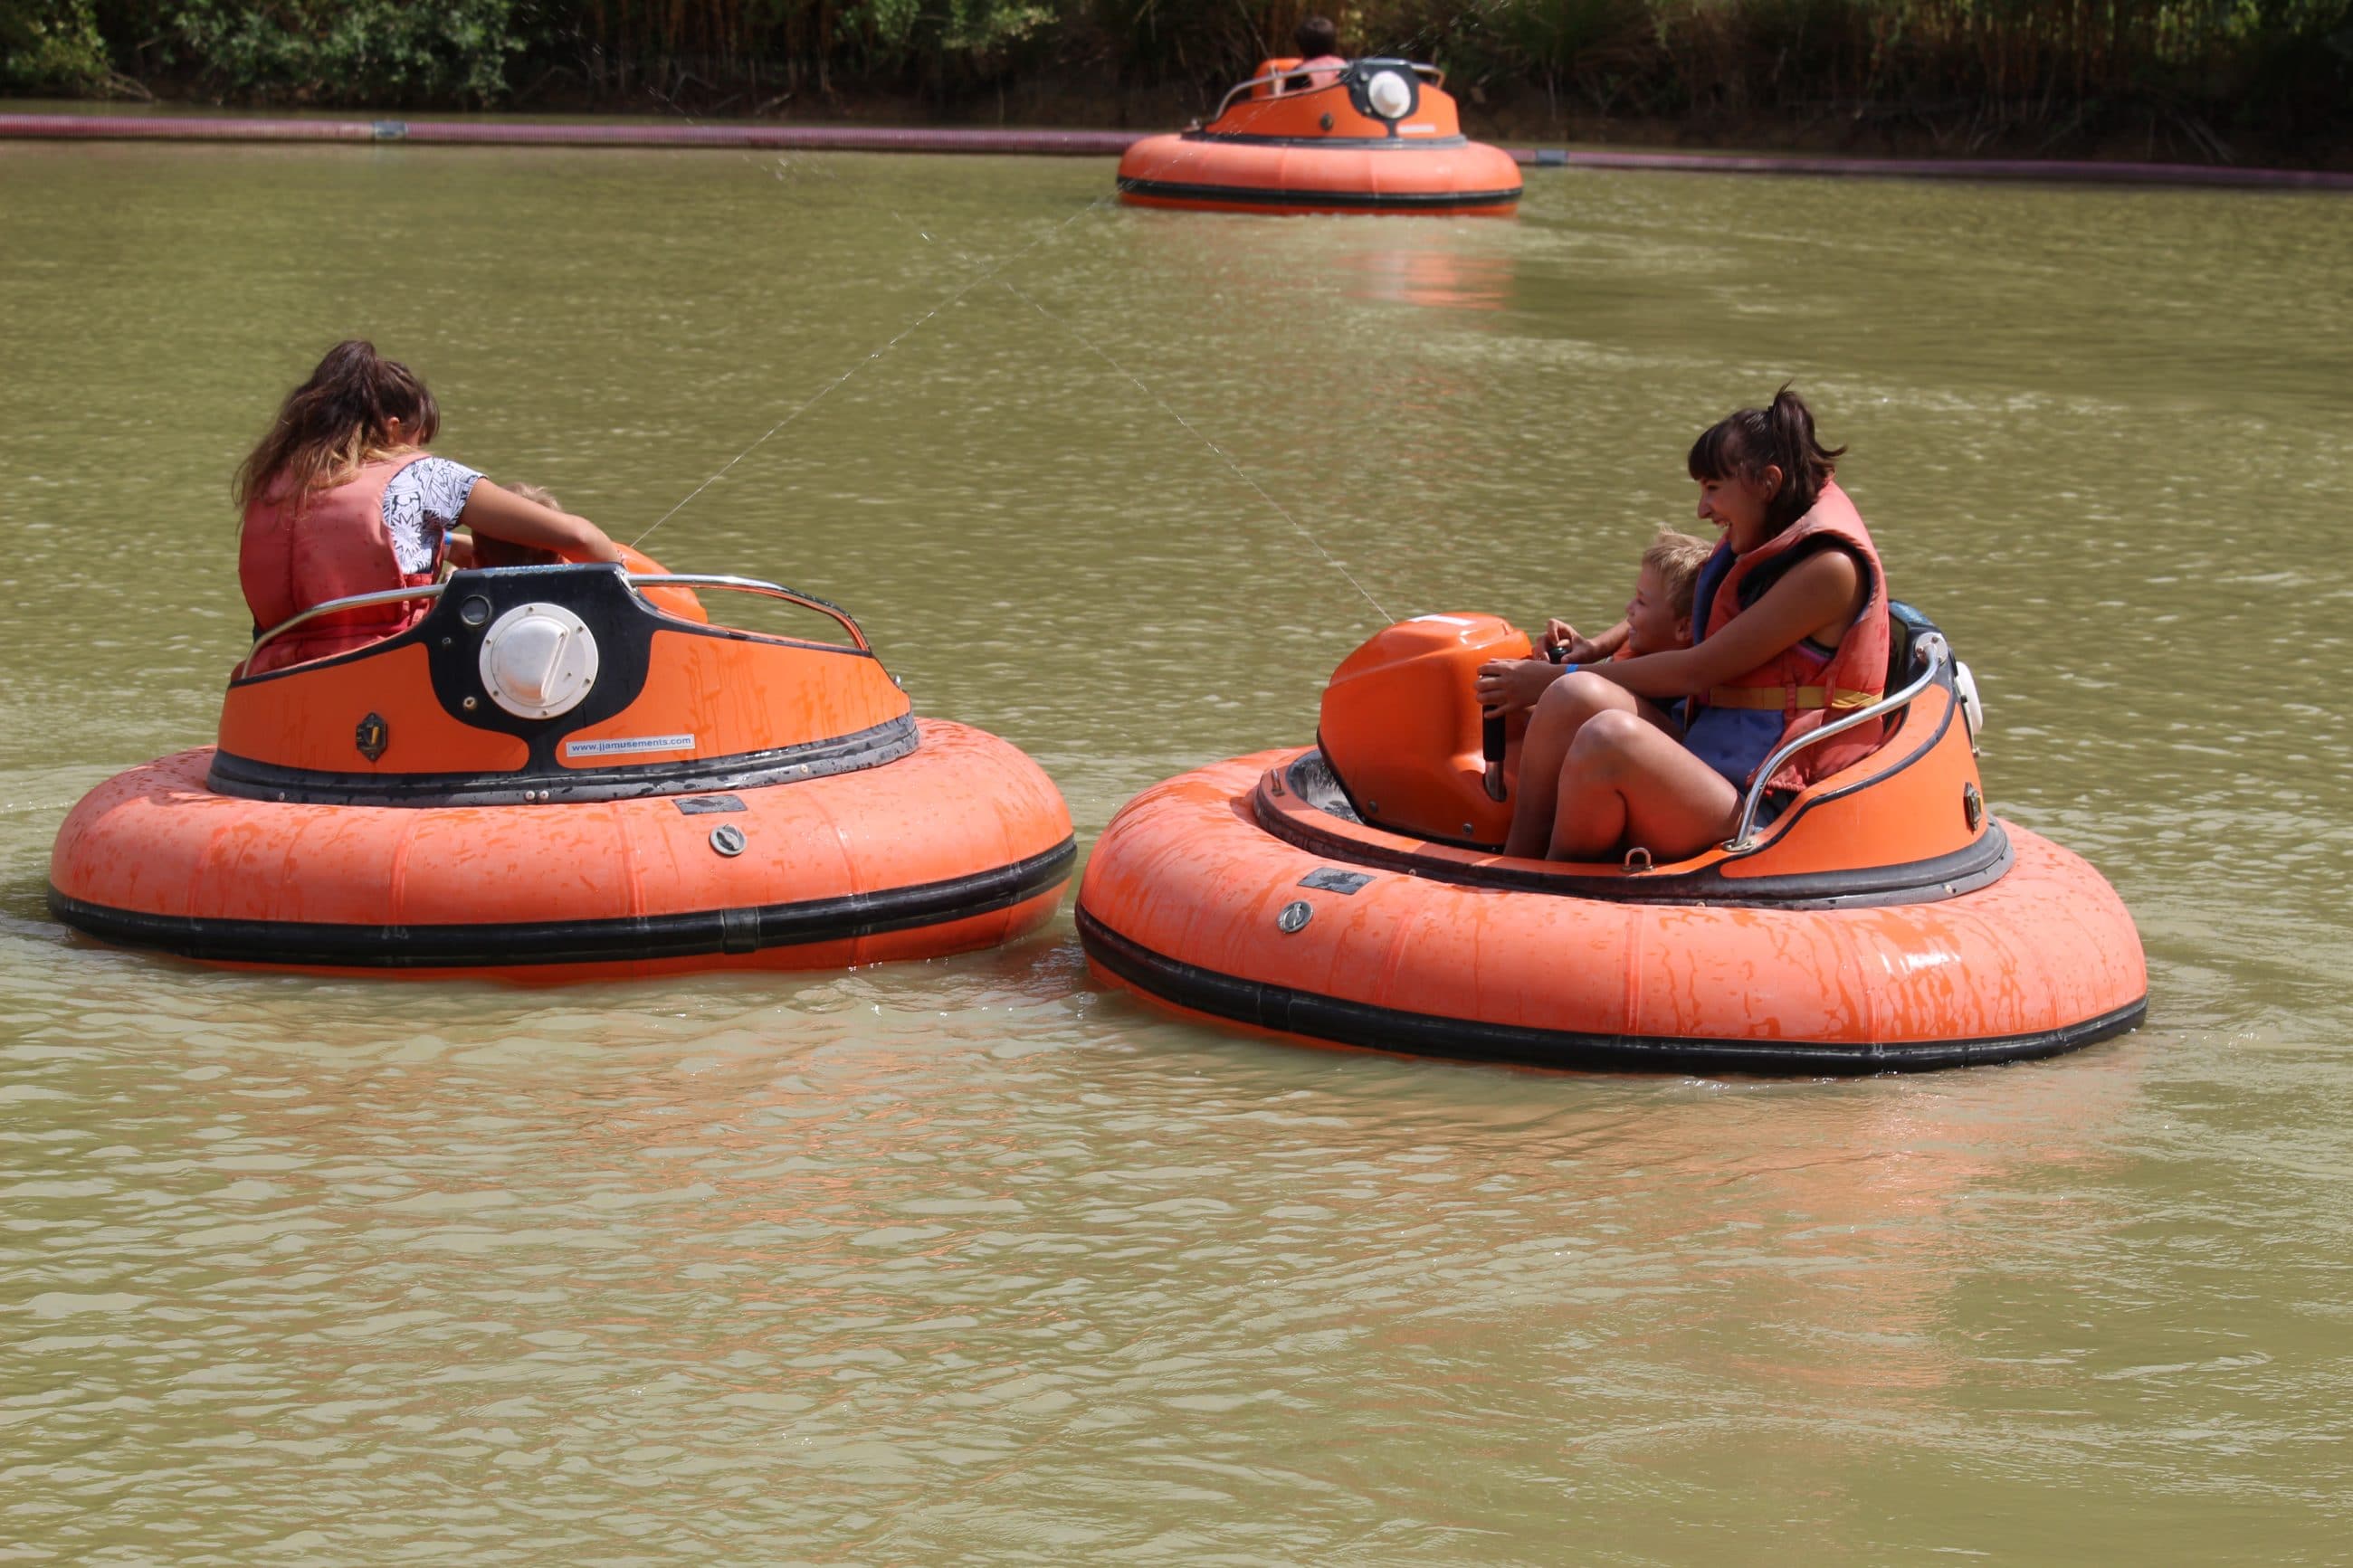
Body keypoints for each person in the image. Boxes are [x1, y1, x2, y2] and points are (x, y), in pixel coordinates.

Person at [1474, 388, 1889, 862]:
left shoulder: (1829, 569)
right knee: (1574, 696)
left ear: (1767, 483)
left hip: (1765, 801)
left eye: (1713, 489)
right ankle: (1516, 861)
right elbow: (1696, 601)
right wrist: (1594, 651)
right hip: (1709, 756)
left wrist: (1548, 676)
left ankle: (1550, 884)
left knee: (1606, 735)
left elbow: (1697, 671)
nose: (1702, 509)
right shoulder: (1771, 523)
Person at [234, 340, 621, 674]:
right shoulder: (426, 476)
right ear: (392, 428)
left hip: (272, 681)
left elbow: (342, 545)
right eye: (419, 439)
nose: (418, 452)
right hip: (386, 675)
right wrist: (628, 595)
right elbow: (579, 536)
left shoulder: (274, 482)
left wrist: (450, 545)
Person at [1284, 14, 1347, 92]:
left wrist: (1276, 88)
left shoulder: (1299, 74)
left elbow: (1285, 102)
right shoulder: (1346, 67)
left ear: (1301, 47)